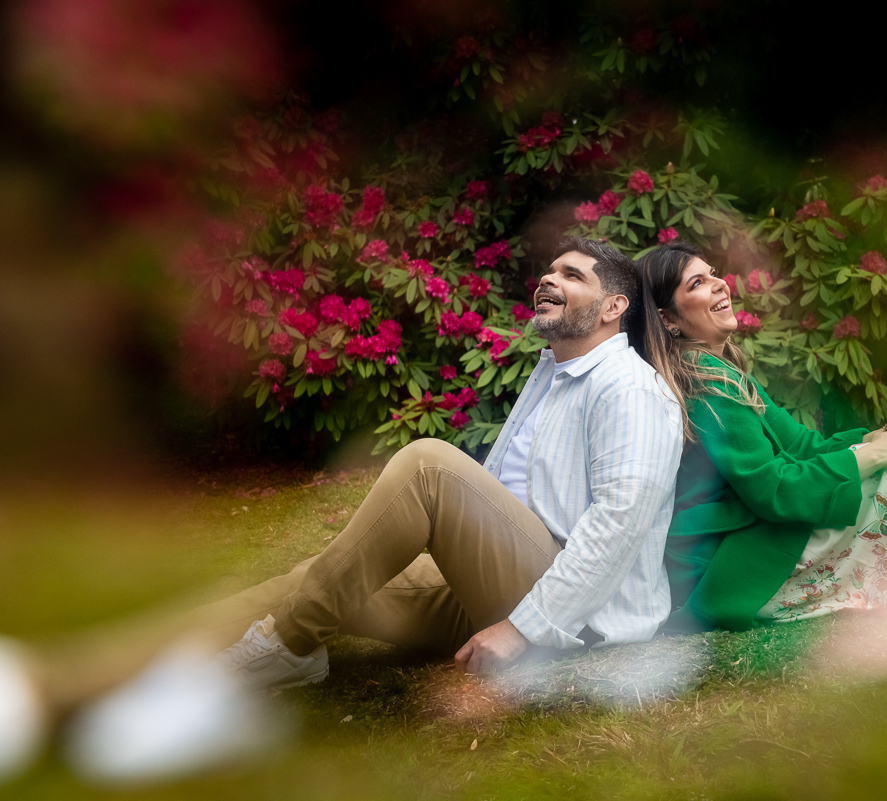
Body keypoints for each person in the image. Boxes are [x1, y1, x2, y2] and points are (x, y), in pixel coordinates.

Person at [0, 237, 683, 783]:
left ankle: (289, 646)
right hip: (503, 586)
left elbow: (616, 525)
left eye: (572, 275)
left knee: (427, 463)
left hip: (577, 621)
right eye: (549, 270)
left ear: (615, 306)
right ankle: (44, 683)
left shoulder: (630, 388)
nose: (549, 279)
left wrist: (524, 629)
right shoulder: (552, 373)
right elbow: (510, 493)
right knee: (307, 582)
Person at [631, 241, 887, 632]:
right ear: (668, 319)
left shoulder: (722, 373)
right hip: (726, 566)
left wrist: (880, 435)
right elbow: (774, 490)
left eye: (713, 273)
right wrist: (879, 456)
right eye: (697, 282)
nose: (718, 284)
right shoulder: (704, 386)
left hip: (748, 536)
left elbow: (802, 446)